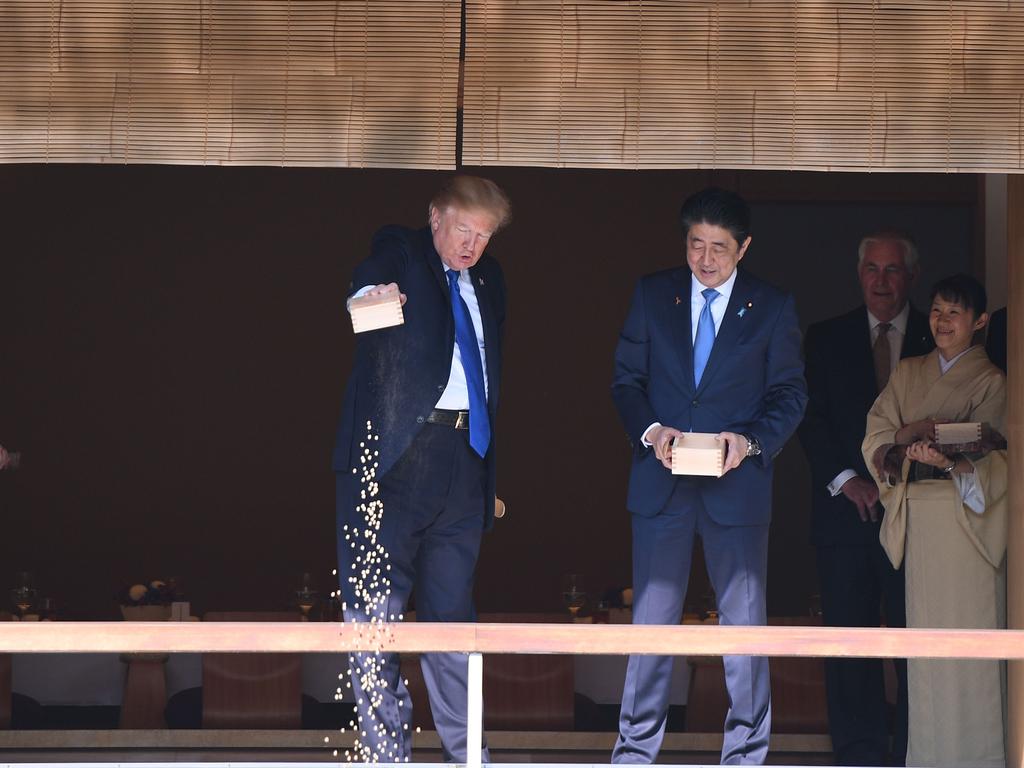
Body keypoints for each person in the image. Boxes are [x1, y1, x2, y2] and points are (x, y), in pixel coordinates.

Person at [610, 187, 807, 765]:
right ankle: (634, 753)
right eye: (696, 244)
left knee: (743, 628)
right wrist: (652, 432)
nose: (705, 258)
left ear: (743, 247)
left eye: (719, 247)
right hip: (662, 482)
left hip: (736, 485)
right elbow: (626, 381)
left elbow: (790, 394)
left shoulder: (771, 306)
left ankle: (745, 753)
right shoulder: (654, 294)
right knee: (651, 624)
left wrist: (747, 442)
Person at [331, 175, 510, 763]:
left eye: (484, 236)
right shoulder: (403, 251)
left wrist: (487, 477)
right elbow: (369, 273)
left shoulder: (488, 279)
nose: (472, 246)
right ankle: (387, 754)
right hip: (394, 461)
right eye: (463, 229)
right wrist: (370, 293)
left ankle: (468, 755)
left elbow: (485, 375)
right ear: (436, 217)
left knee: (453, 621)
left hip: (465, 459)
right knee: (375, 614)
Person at [797, 232, 932, 766]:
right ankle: (857, 753)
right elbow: (811, 419)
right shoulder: (826, 337)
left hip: (919, 515)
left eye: (893, 270)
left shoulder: (937, 332)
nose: (881, 281)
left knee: (913, 634)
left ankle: (913, 746)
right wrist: (846, 477)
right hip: (844, 513)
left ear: (911, 276)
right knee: (849, 639)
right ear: (859, 275)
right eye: (872, 269)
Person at [863, 274, 1006, 768]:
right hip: (920, 519)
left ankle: (978, 757)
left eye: (956, 313)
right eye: (938, 311)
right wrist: (907, 437)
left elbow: (999, 457)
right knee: (926, 656)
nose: (943, 321)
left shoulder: (992, 381)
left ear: (981, 322)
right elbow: (876, 433)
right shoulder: (908, 372)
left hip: (965, 523)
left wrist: (946, 461)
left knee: (968, 648)